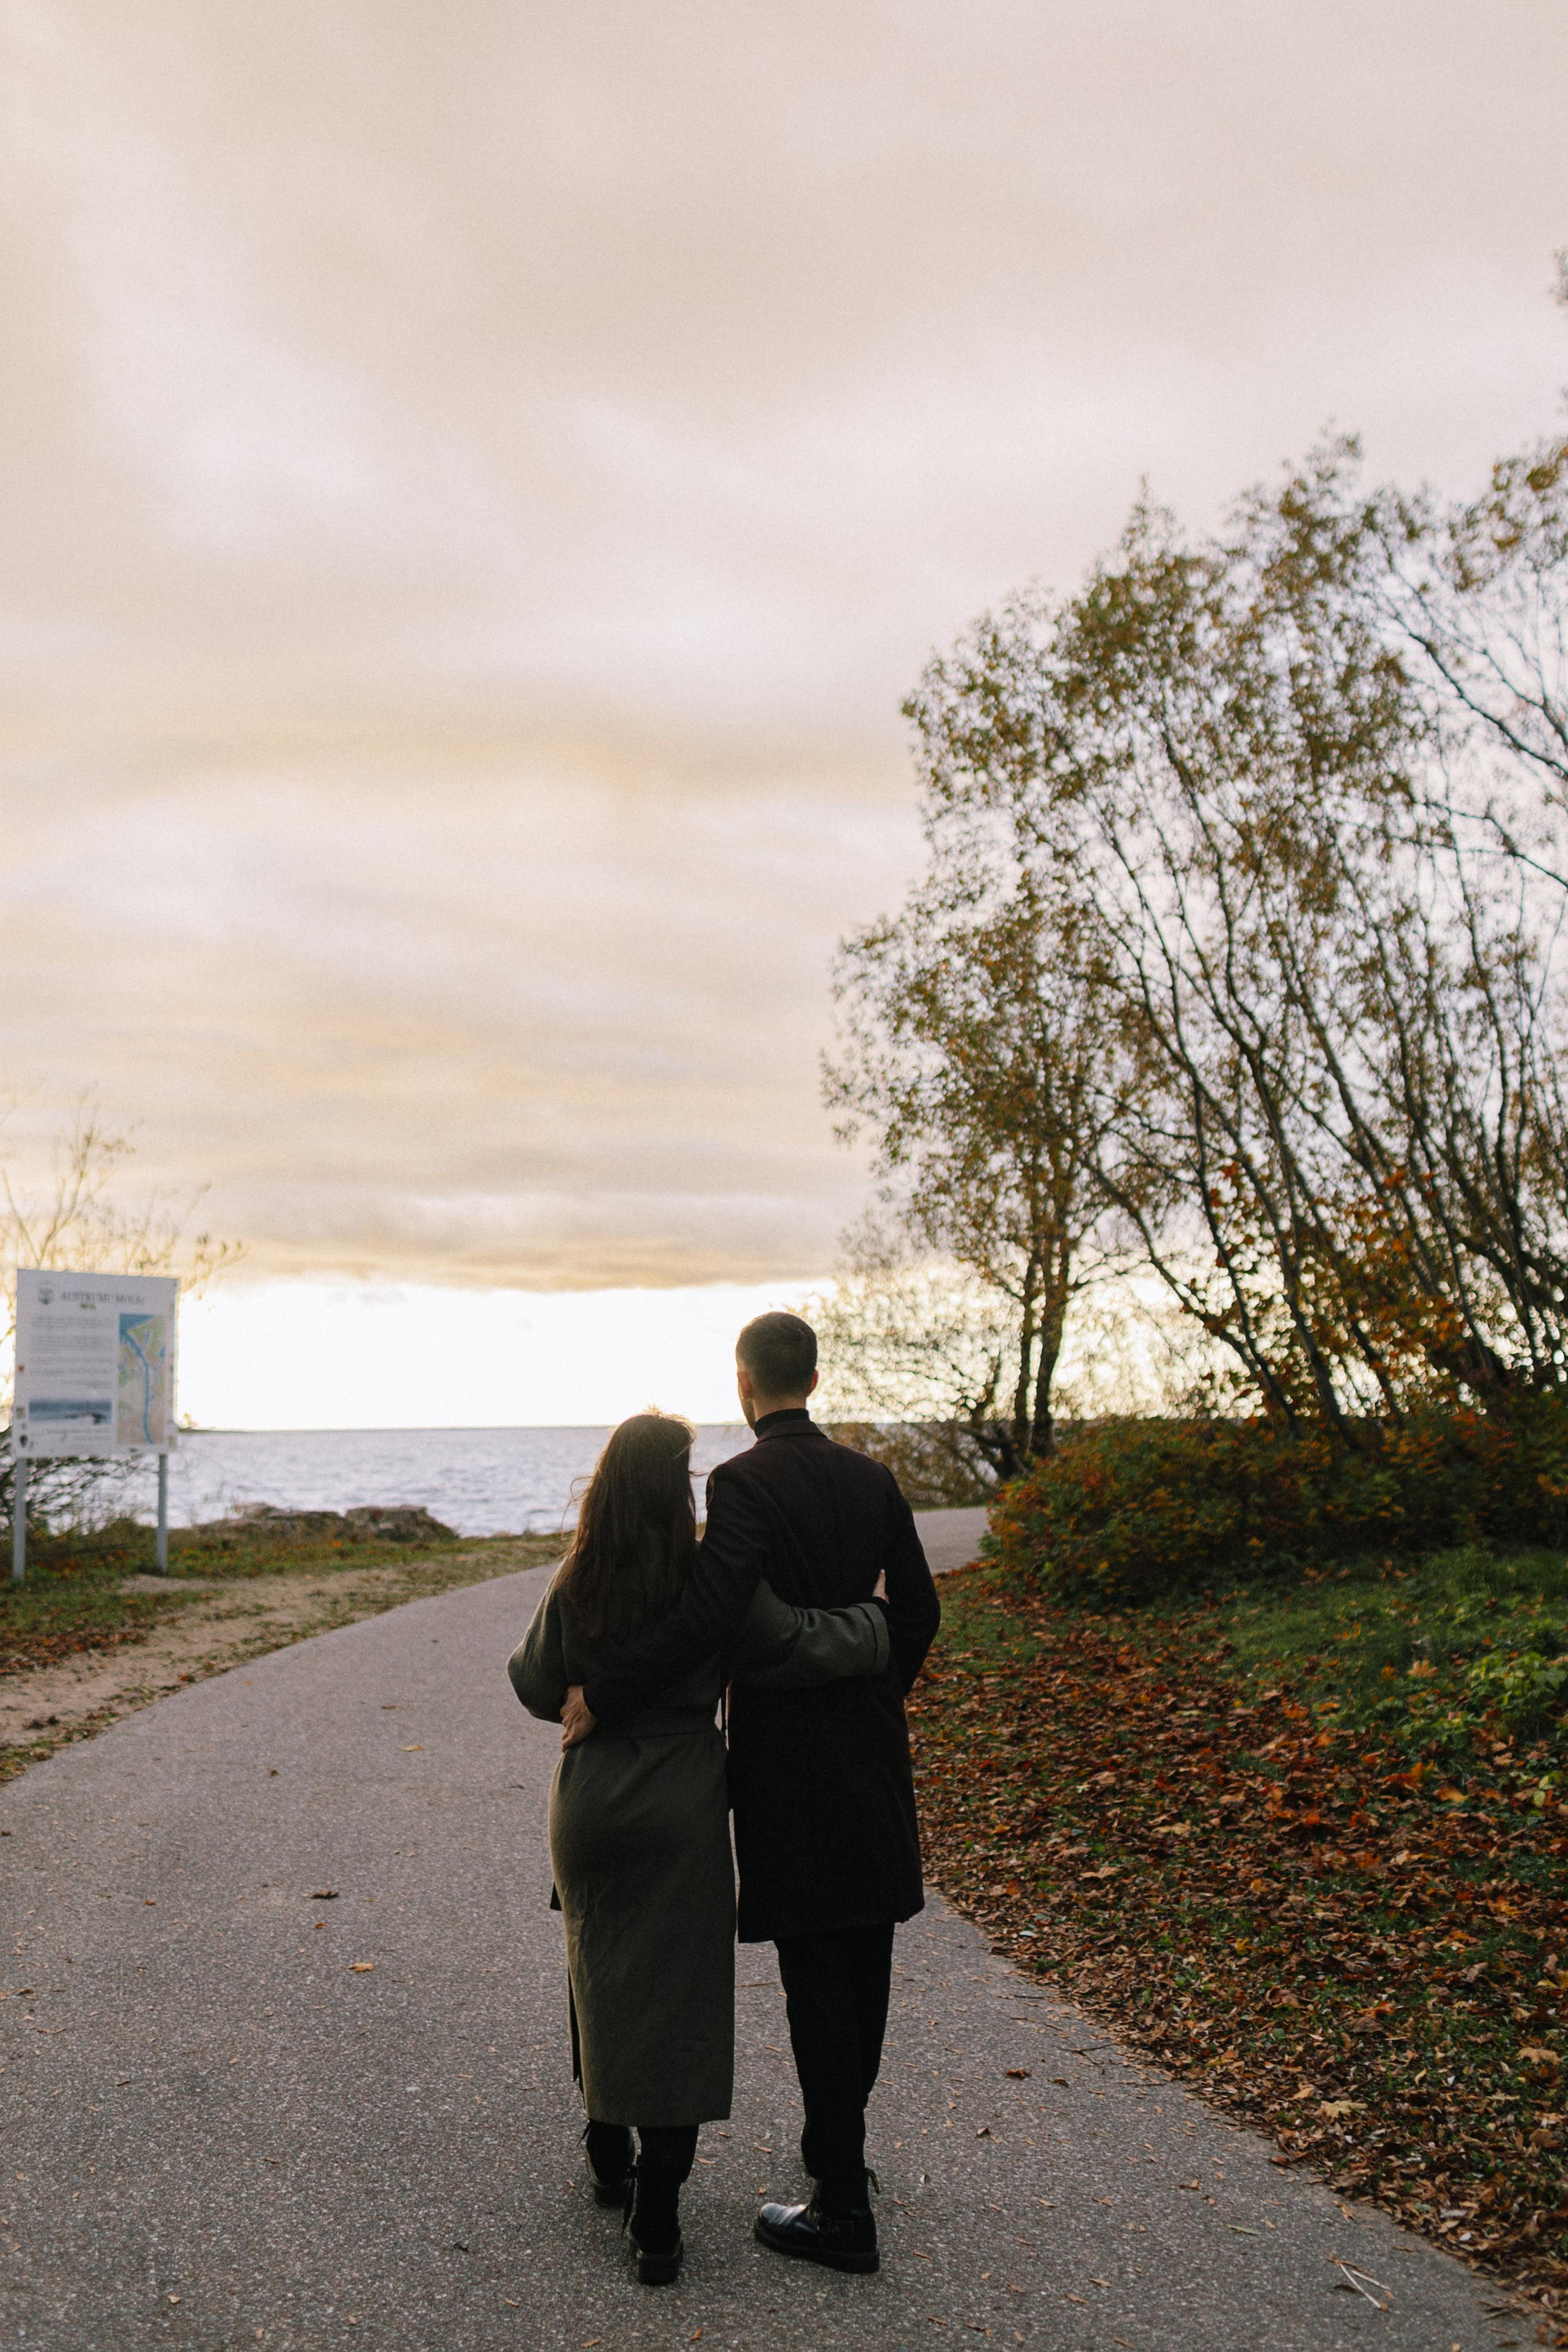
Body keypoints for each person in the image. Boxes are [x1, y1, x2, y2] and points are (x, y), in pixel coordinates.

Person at [561, 1313, 941, 2275]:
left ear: (745, 1383)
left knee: (816, 1975)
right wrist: (873, 1687)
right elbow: (921, 1615)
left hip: (789, 1766)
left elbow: (709, 1616)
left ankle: (843, 2205)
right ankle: (838, 2154)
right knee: (865, 1963)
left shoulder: (742, 1484)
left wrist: (605, 1694)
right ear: (814, 1378)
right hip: (872, 1752)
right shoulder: (875, 1480)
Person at [507, 1409, 890, 2286]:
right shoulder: (707, 1580)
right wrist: (874, 1628)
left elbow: (531, 1683)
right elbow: (791, 1643)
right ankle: (659, 2221)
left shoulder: (579, 1577)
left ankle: (609, 2154)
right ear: (679, 1489)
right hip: (681, 1793)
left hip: (593, 1797)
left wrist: (582, 1685)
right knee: (677, 1995)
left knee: (598, 1967)